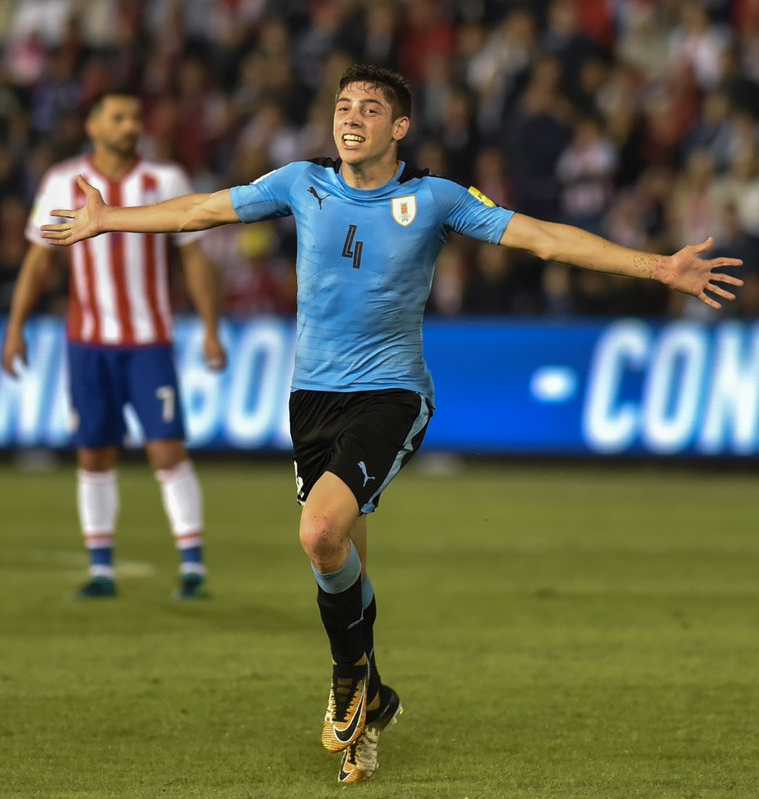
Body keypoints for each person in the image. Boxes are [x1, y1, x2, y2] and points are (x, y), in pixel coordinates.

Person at [38, 64, 744, 783]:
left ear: (400, 127)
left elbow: (543, 239)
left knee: (320, 532)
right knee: (340, 556)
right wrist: (108, 220)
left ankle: (349, 678)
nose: (351, 117)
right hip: (311, 400)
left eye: (370, 109)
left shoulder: (434, 198)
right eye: (343, 105)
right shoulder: (301, 183)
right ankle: (371, 705)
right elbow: (201, 211)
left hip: (391, 395)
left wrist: (659, 268)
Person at [1, 90, 227, 601]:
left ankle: (193, 566)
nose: (130, 125)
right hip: (88, 343)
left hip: (149, 341)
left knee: (166, 449)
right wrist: (16, 326)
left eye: (135, 117)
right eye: (119, 117)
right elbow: (39, 260)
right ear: (94, 126)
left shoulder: (165, 180)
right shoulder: (61, 180)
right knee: (94, 454)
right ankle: (101, 570)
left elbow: (193, 258)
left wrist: (210, 326)